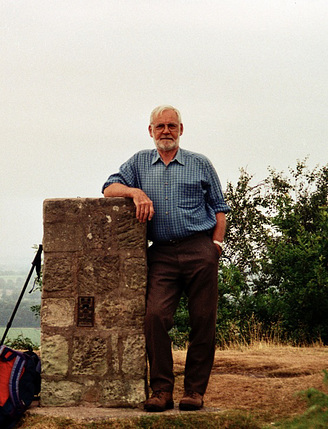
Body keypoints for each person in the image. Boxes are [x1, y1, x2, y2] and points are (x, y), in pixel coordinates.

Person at [102, 105, 230, 412]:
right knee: (155, 317)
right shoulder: (139, 163)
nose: (166, 131)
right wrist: (135, 193)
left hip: (199, 249)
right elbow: (108, 188)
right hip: (160, 253)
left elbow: (219, 208)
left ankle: (195, 392)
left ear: (181, 130)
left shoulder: (200, 164)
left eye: (172, 125)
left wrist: (215, 245)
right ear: (150, 131)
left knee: (203, 321)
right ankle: (161, 391)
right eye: (159, 126)